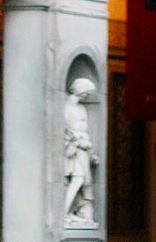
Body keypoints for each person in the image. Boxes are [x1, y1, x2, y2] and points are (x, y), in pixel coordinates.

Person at [63, 77, 98, 226]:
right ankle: (63, 213)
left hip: (83, 149)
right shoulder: (66, 106)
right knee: (79, 179)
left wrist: (90, 151)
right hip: (73, 149)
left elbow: (85, 130)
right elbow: (62, 130)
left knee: (84, 182)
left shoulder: (81, 108)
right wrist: (76, 140)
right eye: (86, 92)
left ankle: (70, 212)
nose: (87, 95)